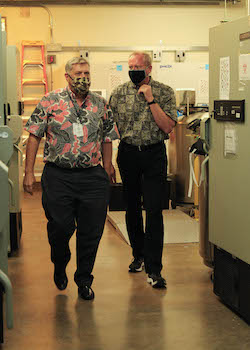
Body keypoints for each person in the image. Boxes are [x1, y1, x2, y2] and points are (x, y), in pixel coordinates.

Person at [23, 57, 119, 300]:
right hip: (58, 176)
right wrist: (27, 173)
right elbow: (34, 136)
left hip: (92, 177)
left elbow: (107, 137)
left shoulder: (100, 104)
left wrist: (107, 168)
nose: (83, 77)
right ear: (67, 76)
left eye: (87, 73)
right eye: (78, 73)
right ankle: (59, 261)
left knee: (91, 232)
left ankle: (84, 280)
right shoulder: (50, 101)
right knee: (60, 227)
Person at [109, 51, 177, 289]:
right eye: (130, 66)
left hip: (153, 154)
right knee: (131, 208)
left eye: (138, 66)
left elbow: (168, 127)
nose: (133, 70)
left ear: (149, 69)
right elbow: (111, 127)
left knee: (154, 210)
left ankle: (154, 268)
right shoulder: (118, 93)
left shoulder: (165, 92)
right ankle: (138, 255)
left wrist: (151, 100)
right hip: (128, 154)